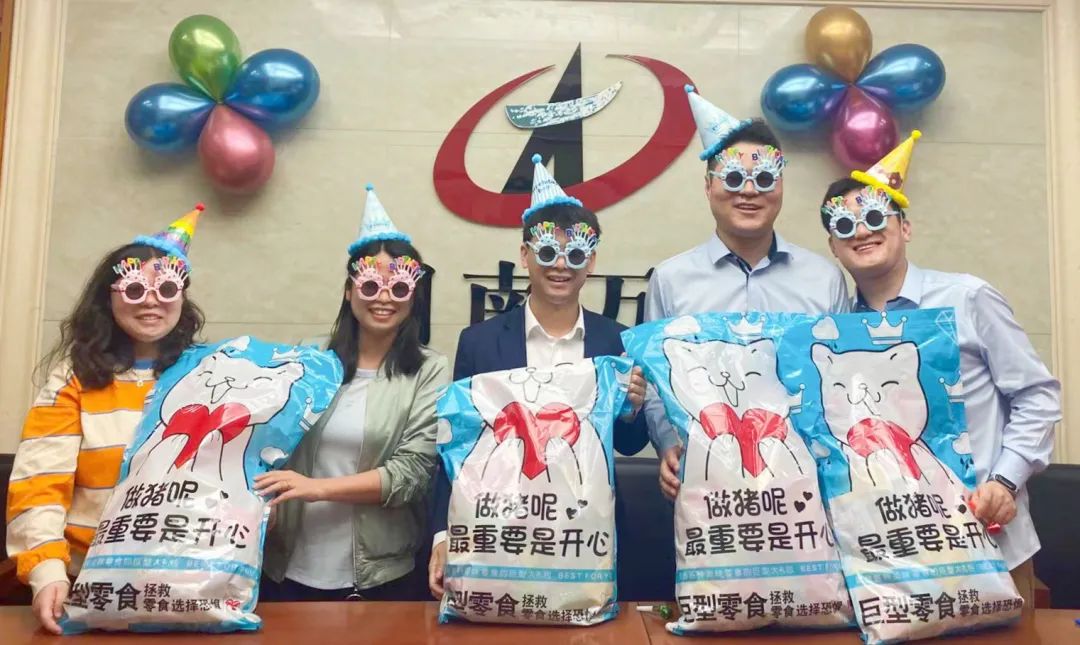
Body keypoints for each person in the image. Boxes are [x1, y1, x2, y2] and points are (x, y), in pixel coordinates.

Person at [819, 130, 1059, 609]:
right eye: (845, 226)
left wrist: (1005, 481)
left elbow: (1037, 395)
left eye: (874, 217)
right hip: (889, 550)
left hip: (989, 533)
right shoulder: (835, 330)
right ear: (833, 246)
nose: (861, 232)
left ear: (905, 227)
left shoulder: (968, 297)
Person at [427, 154, 648, 599]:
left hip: (587, 531)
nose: (560, 265)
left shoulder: (617, 340)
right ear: (525, 255)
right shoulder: (479, 342)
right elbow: (458, 445)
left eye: (575, 254)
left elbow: (629, 444)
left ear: (591, 260)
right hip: (497, 526)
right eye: (547, 252)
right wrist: (443, 534)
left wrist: (632, 408)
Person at [6, 205, 207, 634]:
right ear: (109, 297)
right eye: (134, 289)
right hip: (87, 588)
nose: (151, 300)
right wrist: (47, 572)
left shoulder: (209, 376)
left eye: (166, 288)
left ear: (181, 296)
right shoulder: (73, 380)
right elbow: (39, 484)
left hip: (187, 589)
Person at [648, 86, 850, 500]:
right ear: (708, 187)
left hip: (804, 484)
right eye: (733, 178)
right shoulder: (671, 279)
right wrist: (667, 442)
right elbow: (654, 379)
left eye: (764, 178)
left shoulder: (825, 279)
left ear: (781, 186)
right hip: (706, 483)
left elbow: (841, 379)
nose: (749, 191)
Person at [259, 184, 449, 601]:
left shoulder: (429, 370)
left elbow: (413, 474)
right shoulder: (309, 357)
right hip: (286, 565)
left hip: (379, 572)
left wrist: (317, 488)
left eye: (399, 288)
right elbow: (270, 443)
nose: (384, 298)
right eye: (370, 285)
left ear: (413, 297)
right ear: (349, 291)